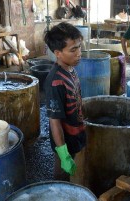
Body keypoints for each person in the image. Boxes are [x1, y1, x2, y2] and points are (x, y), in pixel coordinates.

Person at [44, 22, 86, 181]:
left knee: (70, 176)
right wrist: (63, 154)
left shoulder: (71, 70)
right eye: (73, 50)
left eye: (79, 47)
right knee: (61, 176)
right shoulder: (55, 81)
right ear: (58, 53)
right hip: (64, 141)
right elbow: (54, 122)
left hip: (75, 136)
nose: (79, 54)